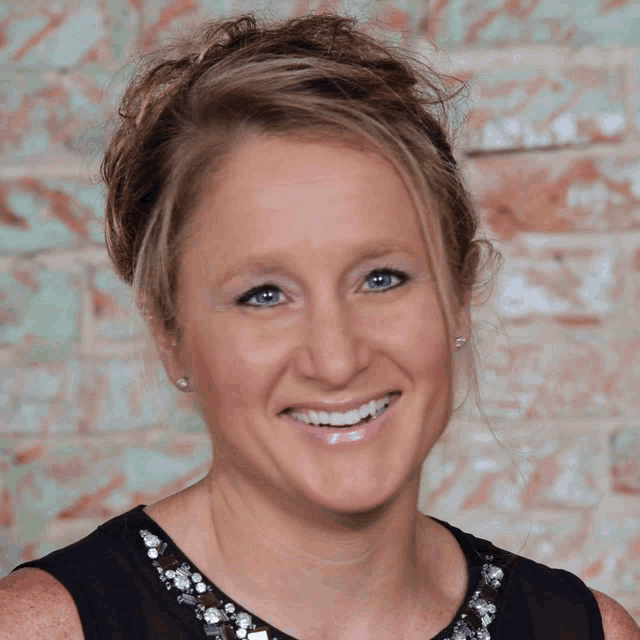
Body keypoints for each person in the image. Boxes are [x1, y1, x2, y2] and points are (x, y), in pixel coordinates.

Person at [1, 10, 638, 640]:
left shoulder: (587, 630)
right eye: (264, 294)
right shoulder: (38, 629)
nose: (336, 359)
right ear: (171, 337)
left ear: (459, 296)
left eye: (381, 279)